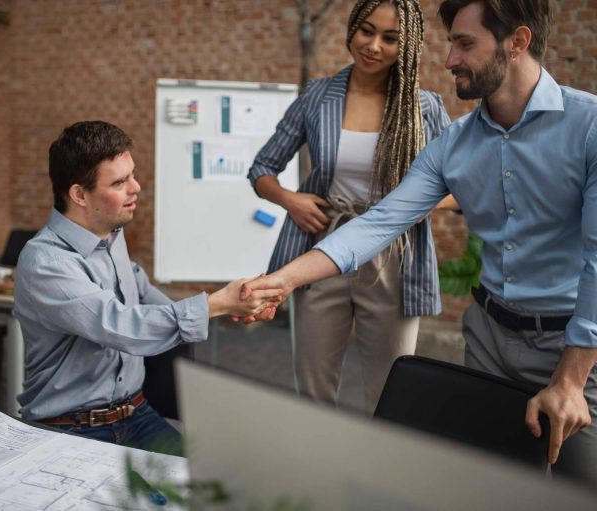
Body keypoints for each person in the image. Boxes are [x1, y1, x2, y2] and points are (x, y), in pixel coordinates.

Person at [242, 0, 597, 484]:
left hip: (575, 346)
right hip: (489, 338)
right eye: (451, 42)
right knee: (488, 484)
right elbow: (380, 221)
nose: (449, 59)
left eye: (464, 44)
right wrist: (280, 281)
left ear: (517, 42)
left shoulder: (589, 126)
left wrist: (572, 379)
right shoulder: (452, 145)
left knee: (578, 488)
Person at [14, 121, 281, 455]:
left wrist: (237, 303)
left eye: (132, 175)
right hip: (74, 426)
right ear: (79, 194)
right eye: (120, 182)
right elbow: (124, 327)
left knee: (208, 489)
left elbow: (140, 291)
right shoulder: (47, 262)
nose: (136, 187)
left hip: (136, 413)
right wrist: (215, 305)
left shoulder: (110, 235)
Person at [247, 0, 452, 414]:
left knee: (390, 391)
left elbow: (460, 187)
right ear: (352, 30)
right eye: (366, 30)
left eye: (390, 38)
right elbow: (262, 168)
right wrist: (290, 199)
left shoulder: (423, 107)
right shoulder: (318, 96)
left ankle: (380, 473)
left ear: (407, 45)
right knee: (314, 390)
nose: (373, 45)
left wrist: (409, 208)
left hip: (394, 254)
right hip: (322, 246)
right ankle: (316, 470)